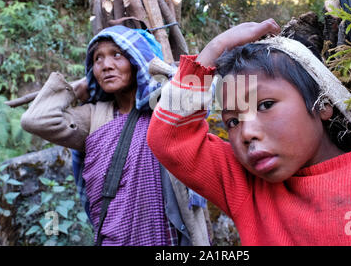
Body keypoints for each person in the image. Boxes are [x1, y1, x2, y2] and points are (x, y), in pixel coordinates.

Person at [146, 19, 351, 245]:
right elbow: (169, 137)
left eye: (265, 105)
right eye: (232, 121)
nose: (246, 133)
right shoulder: (247, 188)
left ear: (322, 104)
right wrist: (214, 50)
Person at [21, 25, 211, 246]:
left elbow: (201, 95)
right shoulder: (93, 116)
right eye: (97, 59)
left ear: (136, 60)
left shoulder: (164, 107)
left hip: (171, 238)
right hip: (113, 238)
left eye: (117, 55)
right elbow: (34, 120)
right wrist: (76, 89)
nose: (106, 65)